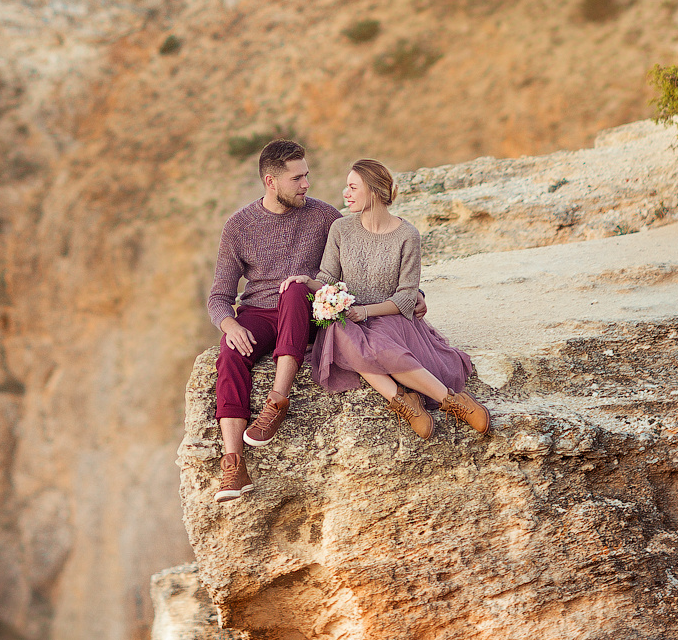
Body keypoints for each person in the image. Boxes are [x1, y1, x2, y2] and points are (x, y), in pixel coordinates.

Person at [308, 158, 491, 439]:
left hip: (390, 316)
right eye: (347, 186)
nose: (346, 193)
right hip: (350, 316)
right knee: (342, 333)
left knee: (378, 344)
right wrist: (307, 284)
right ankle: (404, 401)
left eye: (353, 187)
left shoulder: (407, 235)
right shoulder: (341, 229)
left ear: (375, 191)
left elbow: (407, 296)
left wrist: (366, 312)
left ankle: (453, 402)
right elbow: (328, 276)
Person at [208, 138, 338, 501]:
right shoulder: (239, 226)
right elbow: (219, 297)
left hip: (305, 308)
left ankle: (277, 402)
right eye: (297, 178)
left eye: (306, 175)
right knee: (230, 352)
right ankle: (234, 465)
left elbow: (356, 264)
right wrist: (230, 325)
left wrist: (411, 295)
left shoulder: (325, 217)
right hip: (258, 314)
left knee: (295, 289)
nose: (306, 184)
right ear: (271, 181)